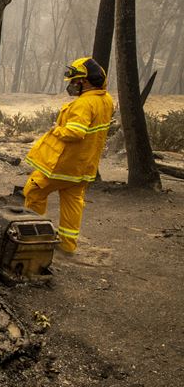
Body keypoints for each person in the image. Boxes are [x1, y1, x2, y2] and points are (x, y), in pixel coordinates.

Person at [23, 57, 114, 254]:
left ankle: (32, 237)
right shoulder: (106, 101)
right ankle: (67, 245)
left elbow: (75, 133)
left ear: (85, 81)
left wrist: (57, 129)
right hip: (85, 166)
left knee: (34, 191)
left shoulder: (84, 104)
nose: (72, 86)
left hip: (63, 165)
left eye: (75, 82)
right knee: (72, 202)